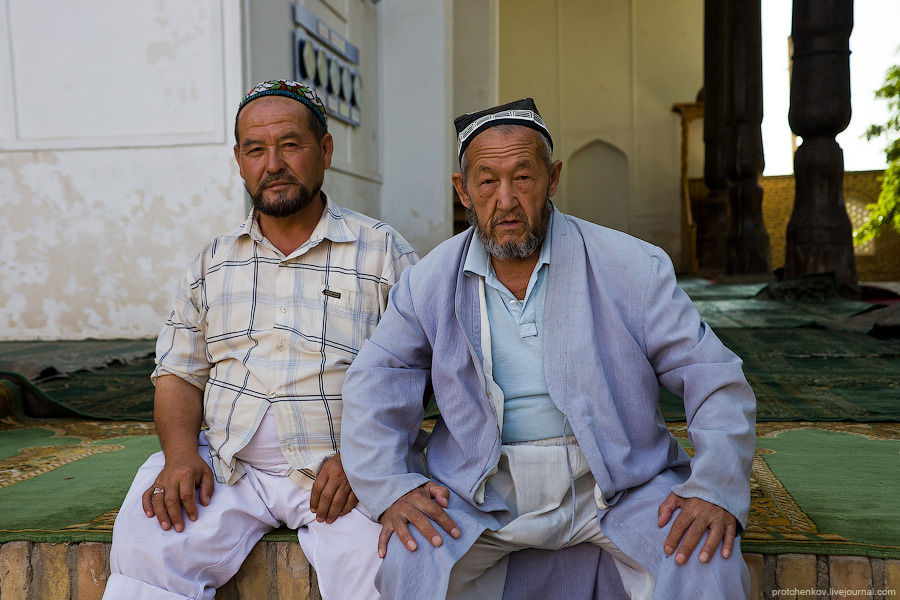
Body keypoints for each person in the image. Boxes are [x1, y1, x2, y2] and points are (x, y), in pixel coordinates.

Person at [341, 98, 756, 600]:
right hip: (480, 490)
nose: (506, 200)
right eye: (487, 181)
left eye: (523, 177)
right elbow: (375, 383)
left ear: (552, 178)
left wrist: (713, 488)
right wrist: (392, 486)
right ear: (463, 190)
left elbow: (714, 378)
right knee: (410, 562)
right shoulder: (427, 282)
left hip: (619, 486)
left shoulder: (630, 266)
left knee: (708, 561)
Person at [103, 80, 417, 600]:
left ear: (326, 151)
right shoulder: (213, 261)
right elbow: (178, 373)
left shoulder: (383, 252)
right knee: (145, 555)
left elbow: (419, 371)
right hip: (229, 468)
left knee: (390, 567)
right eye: (256, 149)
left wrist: (368, 458)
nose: (273, 163)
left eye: (290, 144)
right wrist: (181, 455)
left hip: (342, 476)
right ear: (240, 160)